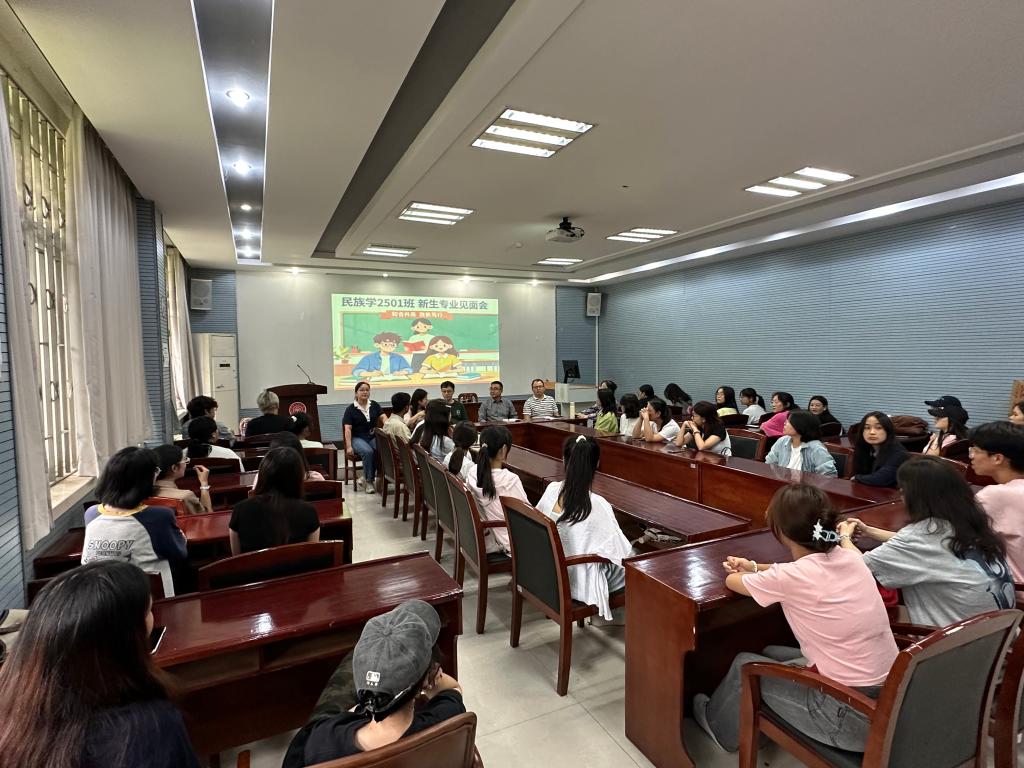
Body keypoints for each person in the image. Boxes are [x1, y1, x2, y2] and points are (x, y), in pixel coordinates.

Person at [692, 484, 897, 754]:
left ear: (781, 532)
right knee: (771, 652)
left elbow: (733, 581)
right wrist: (754, 566)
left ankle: (720, 729)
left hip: (849, 716)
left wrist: (743, 570)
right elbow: (798, 570)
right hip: (891, 699)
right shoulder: (850, 557)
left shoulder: (791, 578)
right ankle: (759, 721)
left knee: (745, 665)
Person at [0, 561, 201, 768]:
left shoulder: (15, 720)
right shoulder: (149, 729)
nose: (153, 619)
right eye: (148, 611)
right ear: (124, 640)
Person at [281, 600, 465, 766]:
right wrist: (428, 677)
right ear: (425, 681)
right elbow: (454, 688)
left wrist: (360, 707)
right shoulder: (447, 718)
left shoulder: (320, 740)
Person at [838, 456, 1015, 627]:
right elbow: (928, 547)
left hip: (956, 641)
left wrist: (845, 536)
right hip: (1001, 633)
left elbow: (861, 567)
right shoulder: (966, 520)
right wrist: (870, 531)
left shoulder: (922, 534)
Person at [536, 436, 633, 619]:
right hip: (581, 583)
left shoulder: (552, 490)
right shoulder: (598, 504)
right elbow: (622, 553)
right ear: (597, 464)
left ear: (564, 460)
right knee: (636, 562)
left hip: (552, 573)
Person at [81, 447, 188, 597]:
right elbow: (178, 553)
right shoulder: (159, 516)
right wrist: (181, 537)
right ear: (146, 479)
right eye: (155, 471)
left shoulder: (91, 513)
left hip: (98, 596)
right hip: (146, 597)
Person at [229, 447, 321, 555]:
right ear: (298, 477)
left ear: (263, 474)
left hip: (254, 566)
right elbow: (311, 556)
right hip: (297, 566)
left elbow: (236, 558)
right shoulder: (309, 512)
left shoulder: (240, 510)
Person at [970, 421, 1024, 581]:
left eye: (975, 450)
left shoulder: (996, 495)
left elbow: (953, 530)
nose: (971, 456)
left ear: (997, 458)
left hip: (1013, 588)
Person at [465, 425, 529, 554]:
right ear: (504, 450)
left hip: (484, 536)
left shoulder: (472, 472)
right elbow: (527, 513)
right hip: (506, 540)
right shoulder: (509, 480)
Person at [764, 411, 838, 476]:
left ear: (800, 425)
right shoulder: (782, 441)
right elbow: (770, 464)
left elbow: (829, 475)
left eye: (789, 421)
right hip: (782, 484)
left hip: (805, 487)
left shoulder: (816, 448)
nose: (785, 423)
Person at [343, 381, 383, 494]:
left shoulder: (374, 405)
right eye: (361, 390)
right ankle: (369, 482)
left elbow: (384, 418)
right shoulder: (350, 409)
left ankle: (365, 477)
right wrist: (349, 446)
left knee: (381, 449)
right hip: (357, 438)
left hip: (372, 437)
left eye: (367, 390)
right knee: (368, 451)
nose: (365, 392)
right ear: (356, 393)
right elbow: (347, 429)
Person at [851, 411, 909, 487]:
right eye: (867, 428)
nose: (872, 432)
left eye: (878, 428)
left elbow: (881, 479)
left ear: (888, 430)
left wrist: (857, 478)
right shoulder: (866, 448)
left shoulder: (898, 453)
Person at [153, 444, 212, 515]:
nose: (186, 463)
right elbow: (207, 516)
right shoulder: (185, 496)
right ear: (174, 468)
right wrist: (204, 483)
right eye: (185, 460)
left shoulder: (143, 491)